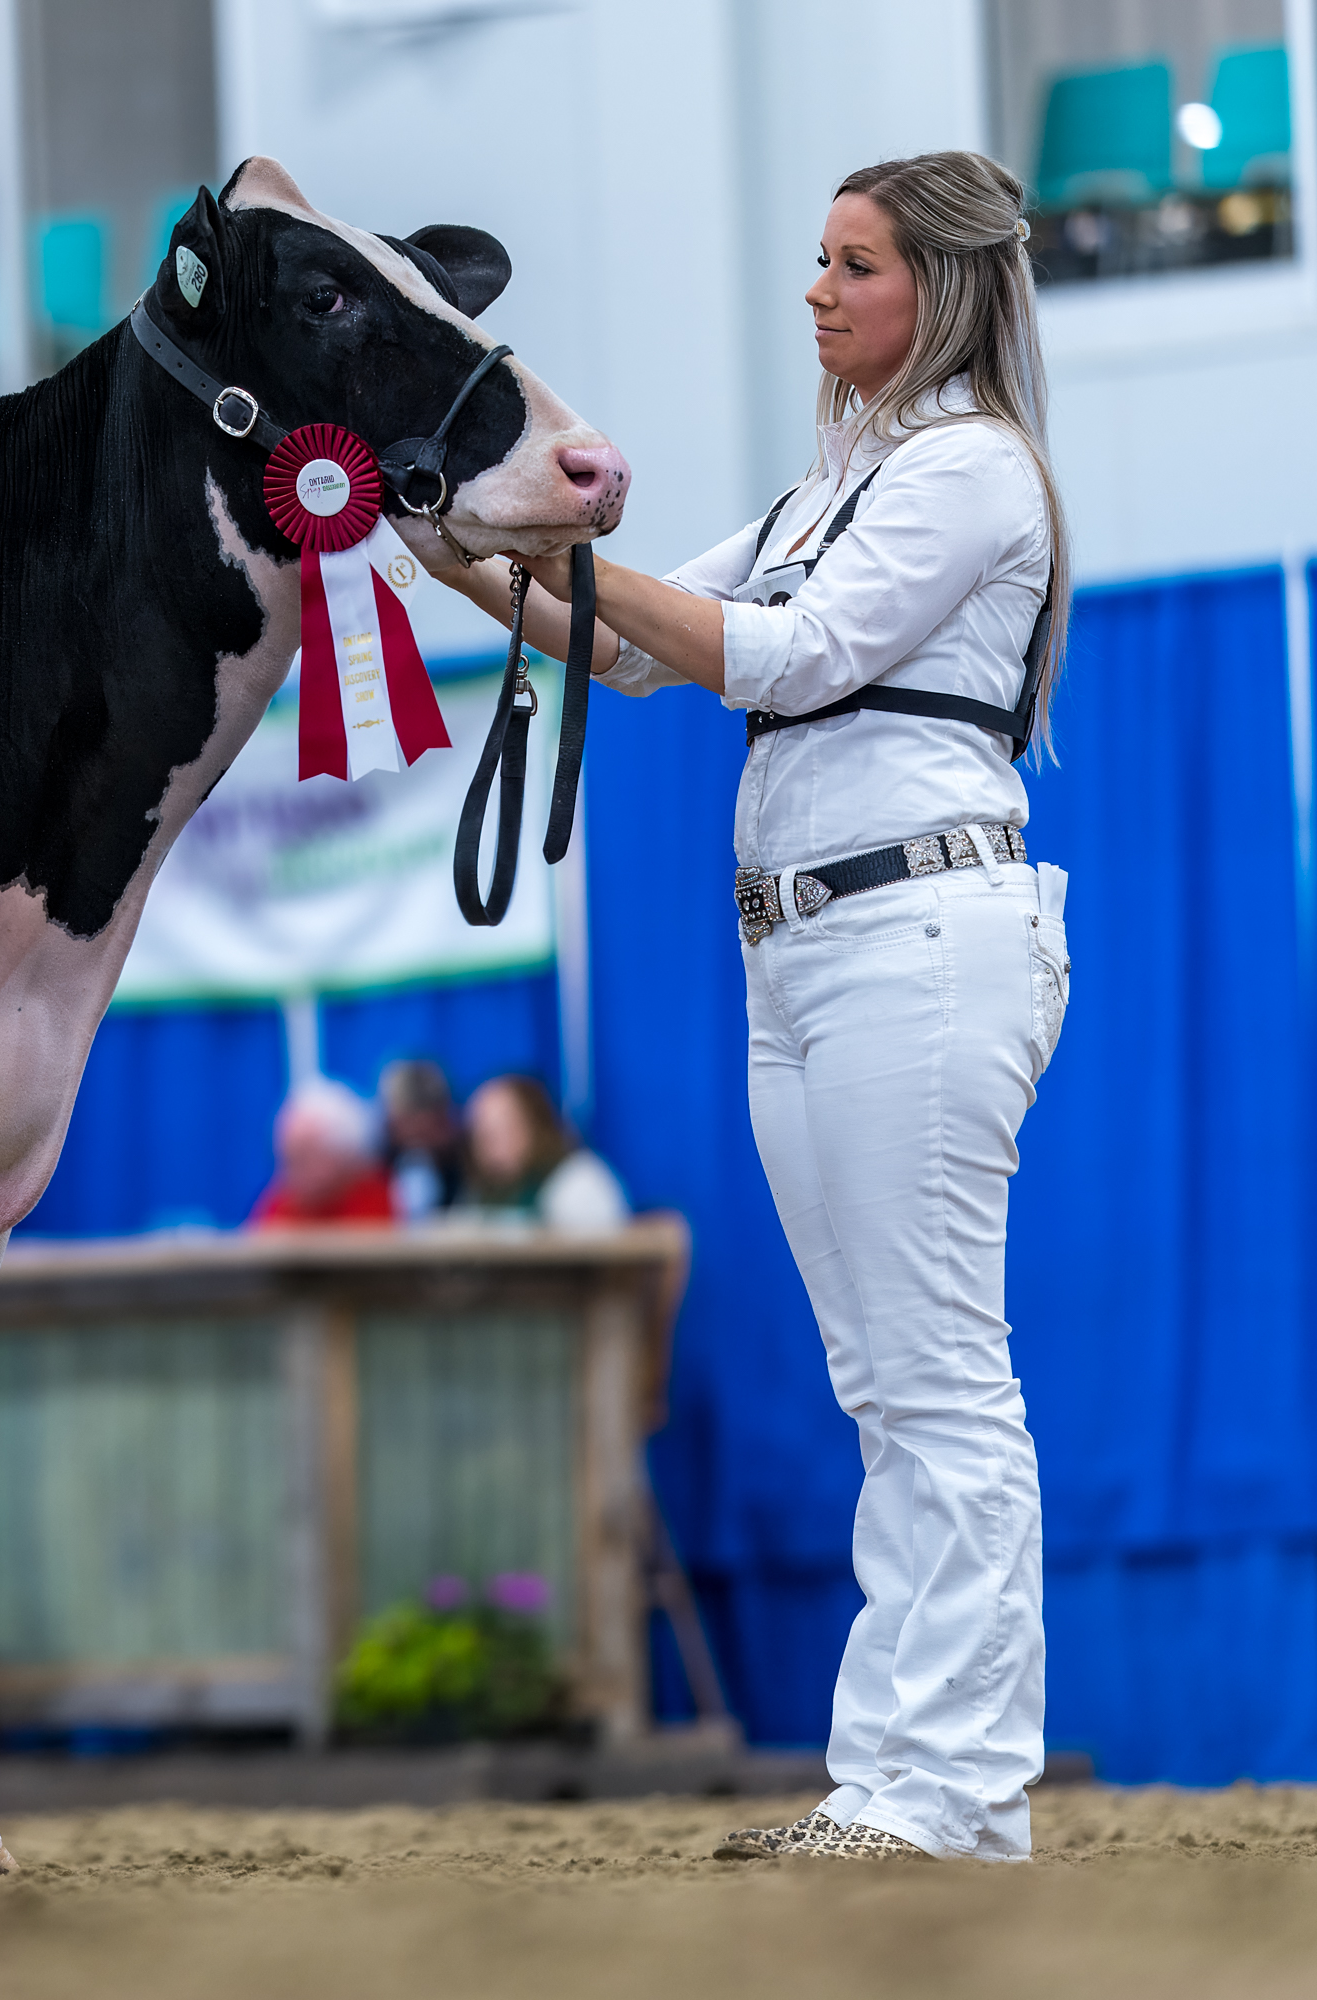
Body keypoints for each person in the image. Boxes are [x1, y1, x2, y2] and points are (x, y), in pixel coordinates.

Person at [425, 152, 1071, 1864]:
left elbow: (779, 657)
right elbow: (628, 649)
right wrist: (451, 537)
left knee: (936, 1382)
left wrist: (549, 537)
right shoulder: (822, 490)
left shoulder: (975, 475)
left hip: (918, 933)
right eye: (817, 259)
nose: (815, 290)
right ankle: (896, 1786)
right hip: (810, 950)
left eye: (852, 264)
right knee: (890, 1386)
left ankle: (955, 1795)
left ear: (933, 289)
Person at [455, 1075, 628, 1233]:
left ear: (535, 1125)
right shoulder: (479, 1192)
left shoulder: (578, 1181)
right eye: (481, 1134)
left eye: (504, 1128)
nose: (490, 1144)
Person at [249, 1077, 396, 1226]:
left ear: (345, 1154)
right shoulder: (282, 1203)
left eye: (303, 1159)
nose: (287, 1174)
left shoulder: (385, 1201)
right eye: (286, 1160)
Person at [375, 1058, 463, 1224]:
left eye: (424, 1131)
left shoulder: (465, 1167)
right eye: (406, 1125)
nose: (414, 1140)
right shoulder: (376, 1164)